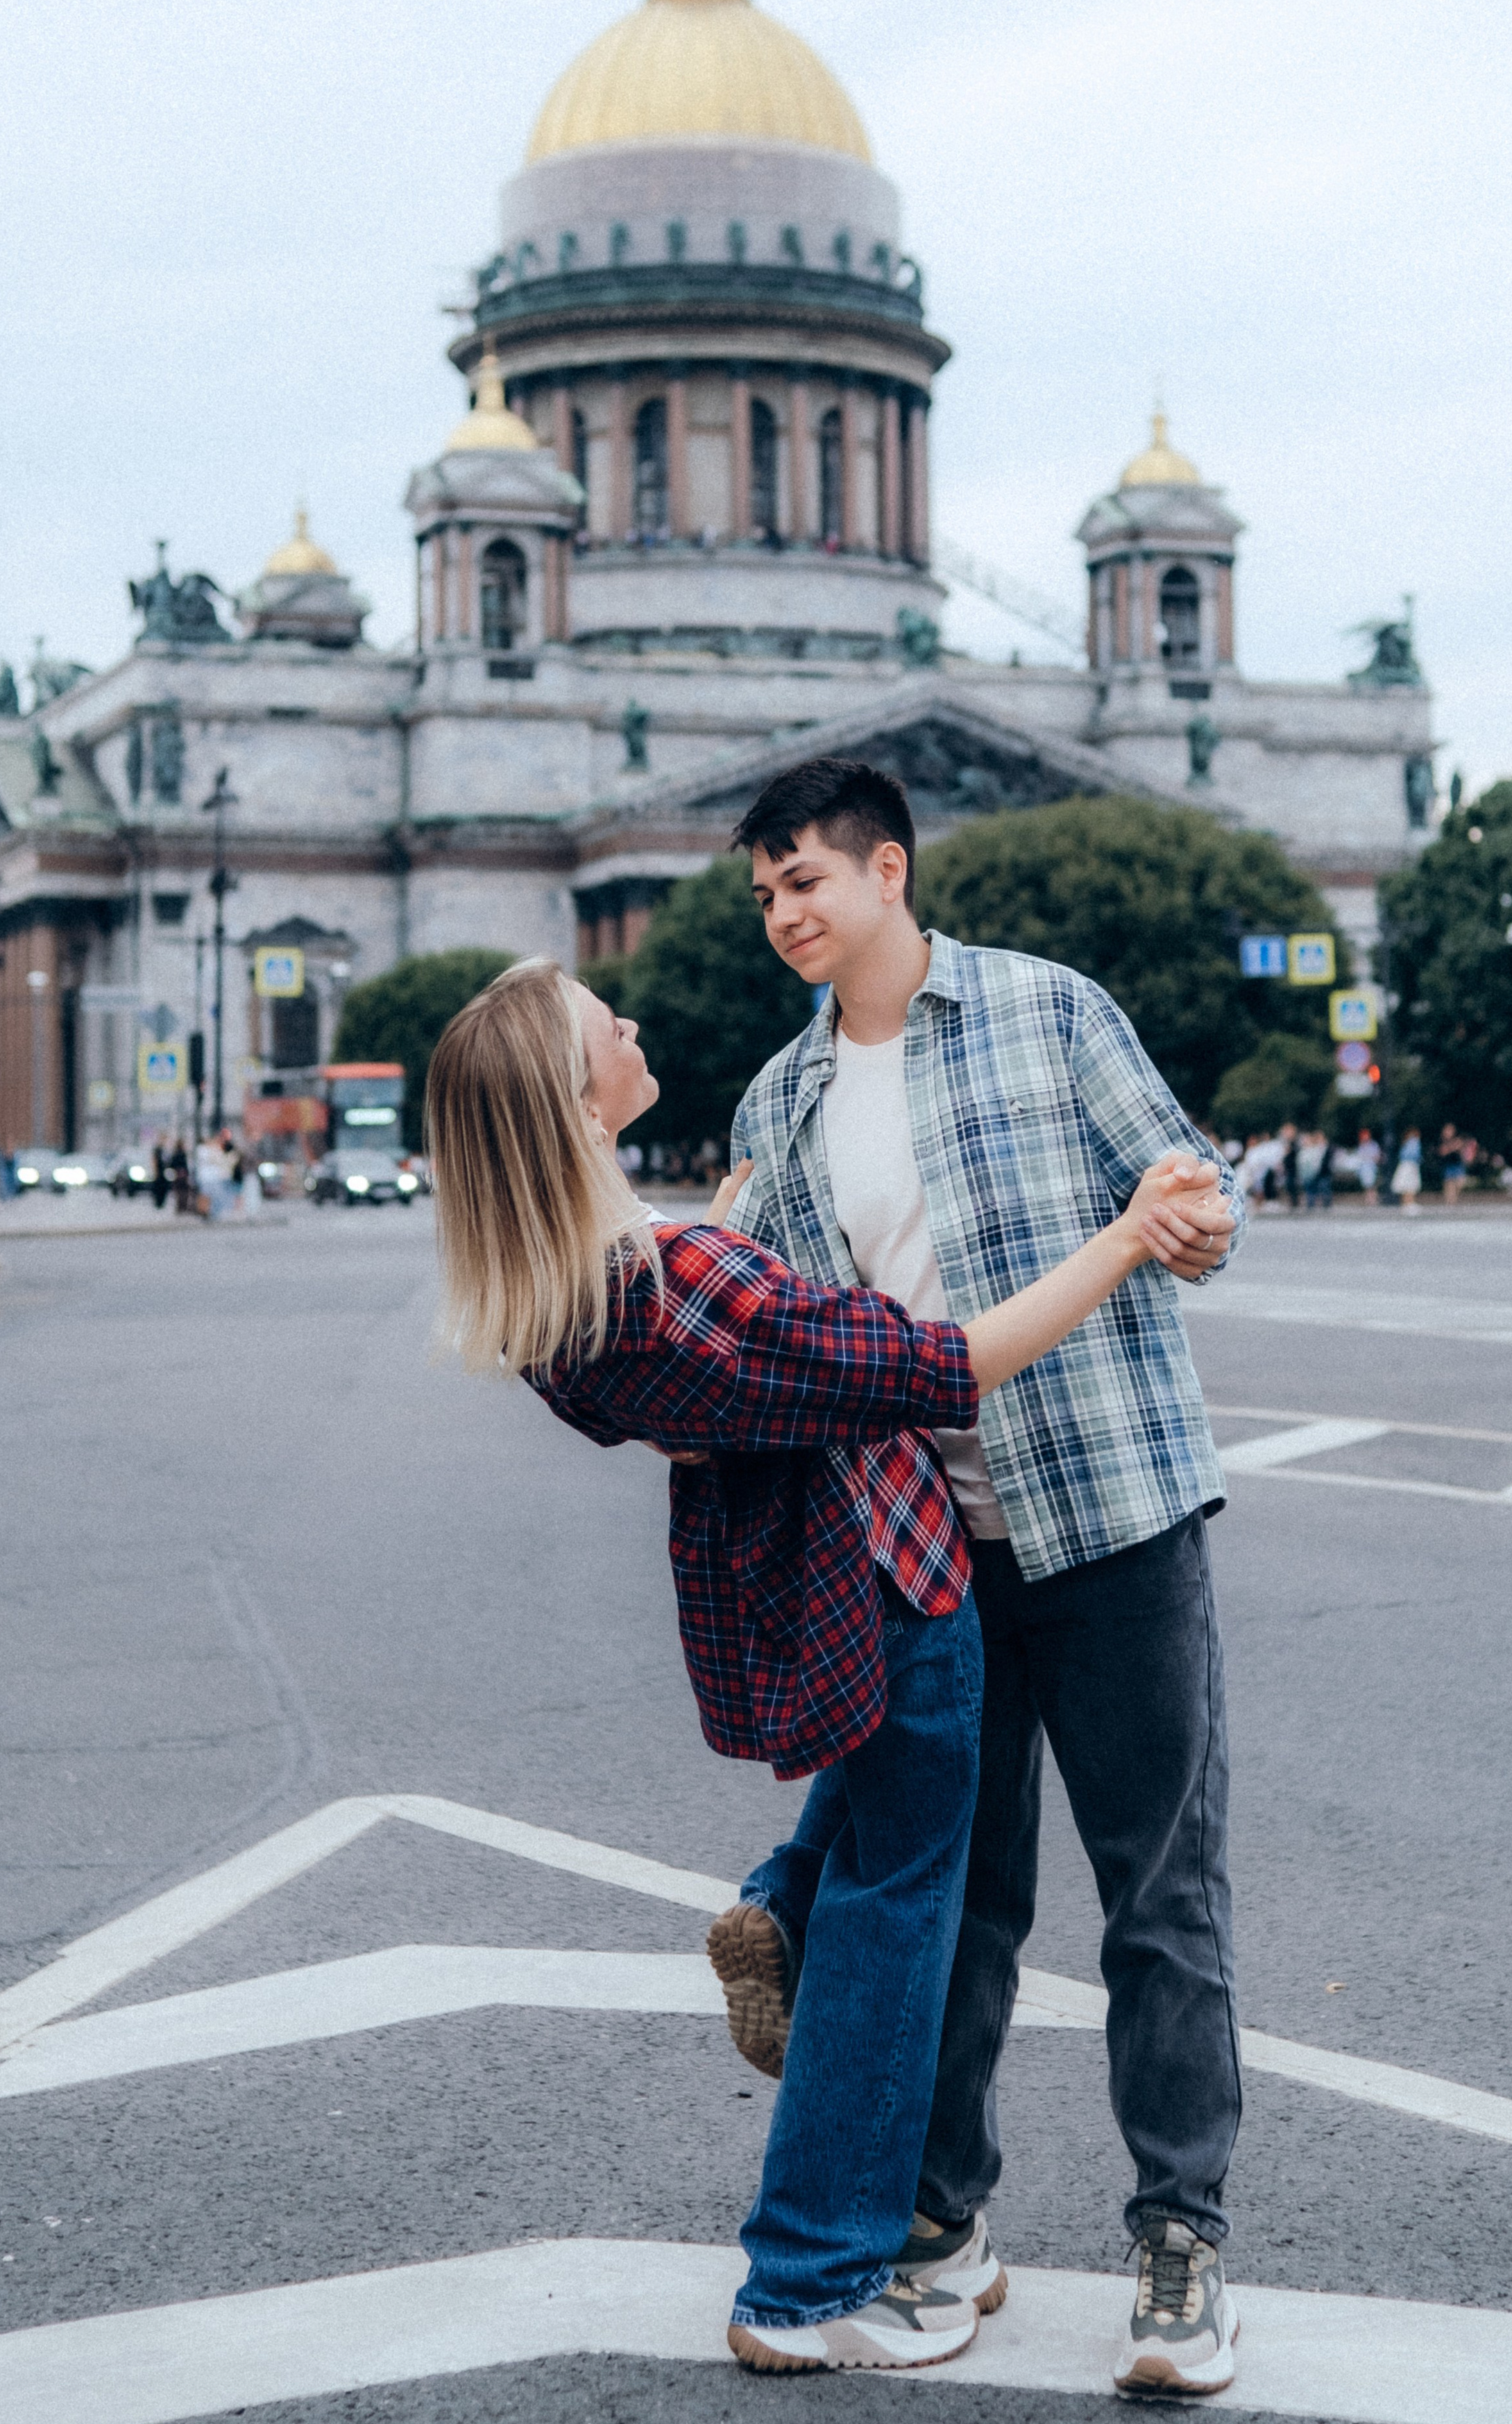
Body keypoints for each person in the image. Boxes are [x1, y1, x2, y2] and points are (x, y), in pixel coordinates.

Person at [425, 957, 1232, 2380]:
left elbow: (705, 1346)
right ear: (577, 1102)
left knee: (891, 1878)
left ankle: (793, 1919)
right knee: (897, 1927)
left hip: (822, 1605)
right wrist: (1121, 1239)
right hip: (903, 1592)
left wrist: (720, 1227)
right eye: (603, 1025)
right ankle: (808, 2274)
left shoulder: (568, 1295)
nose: (631, 1021)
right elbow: (946, 1361)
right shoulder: (691, 1285)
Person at [722, 758, 1246, 2403]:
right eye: (763, 892)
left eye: (805, 878)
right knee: (961, 1901)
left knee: (1158, 1894)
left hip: (1111, 1518)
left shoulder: (1045, 1009)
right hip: (927, 1553)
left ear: (887, 869)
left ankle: (1178, 2240)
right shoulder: (777, 1099)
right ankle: (942, 2219)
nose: (783, 912)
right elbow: (796, 1336)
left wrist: (1196, 1221)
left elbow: (1184, 1181)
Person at [1391, 1128, 1423, 1210]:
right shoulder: (1414, 1142)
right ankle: (1410, 1204)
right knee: (1410, 1186)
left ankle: (1406, 1204)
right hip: (1411, 1166)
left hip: (1404, 1166)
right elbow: (1415, 1155)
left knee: (1406, 1187)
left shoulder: (1406, 1143)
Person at [1354, 1126, 1380, 1204]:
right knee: (1366, 1185)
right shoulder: (1361, 1146)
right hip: (1363, 1167)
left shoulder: (1373, 1145)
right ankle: (1368, 1198)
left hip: (1371, 1167)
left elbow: (1377, 1156)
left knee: (1372, 1184)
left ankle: (1373, 1199)